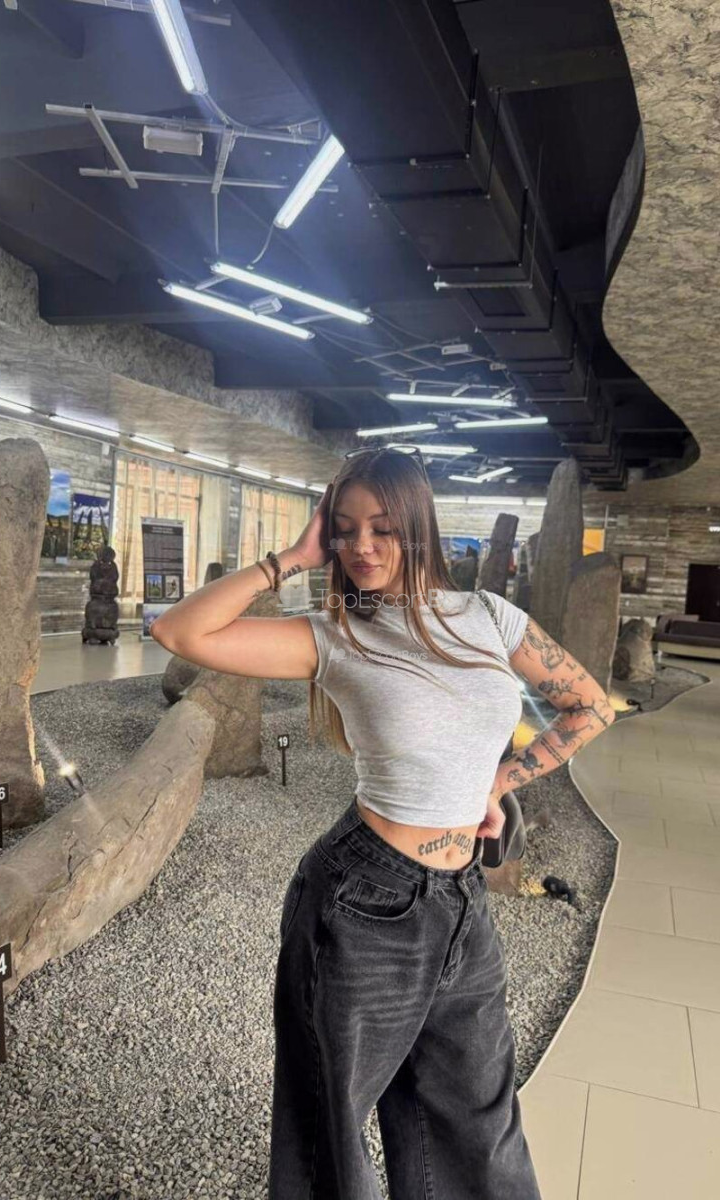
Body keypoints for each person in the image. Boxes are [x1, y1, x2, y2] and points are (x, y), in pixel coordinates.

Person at [150, 446, 615, 1200]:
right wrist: (290, 559)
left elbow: (589, 705)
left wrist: (499, 779)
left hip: (462, 902)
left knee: (479, 1131)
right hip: (363, 903)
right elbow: (180, 631)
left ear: (418, 527)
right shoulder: (337, 634)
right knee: (330, 1137)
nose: (360, 545)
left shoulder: (490, 617)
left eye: (383, 528)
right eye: (344, 528)